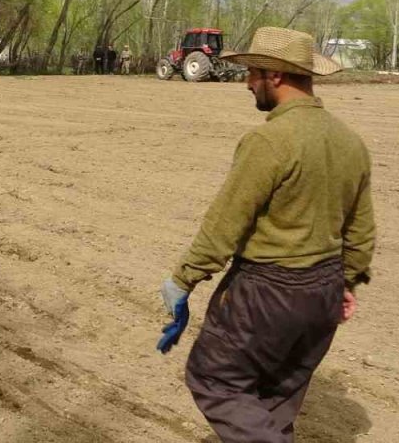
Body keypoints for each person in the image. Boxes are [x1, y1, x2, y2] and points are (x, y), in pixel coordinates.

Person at [158, 27, 375, 443]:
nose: (247, 82)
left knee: (214, 379)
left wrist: (184, 278)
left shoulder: (269, 141)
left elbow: (226, 221)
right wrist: (347, 281)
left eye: (252, 73)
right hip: (324, 290)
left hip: (267, 292)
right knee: (278, 397)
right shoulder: (351, 143)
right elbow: (361, 229)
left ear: (274, 76)